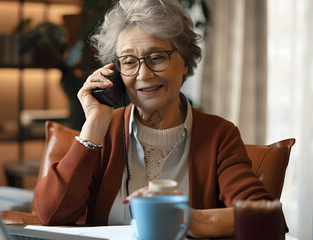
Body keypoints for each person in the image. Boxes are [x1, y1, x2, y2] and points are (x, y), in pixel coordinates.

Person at [15, 0, 280, 238]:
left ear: (185, 61)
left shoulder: (218, 135)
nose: (144, 74)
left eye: (156, 58)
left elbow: (266, 218)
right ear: (115, 72)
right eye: (129, 62)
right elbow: (49, 215)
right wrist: (93, 129)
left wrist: (188, 218)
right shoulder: (103, 132)